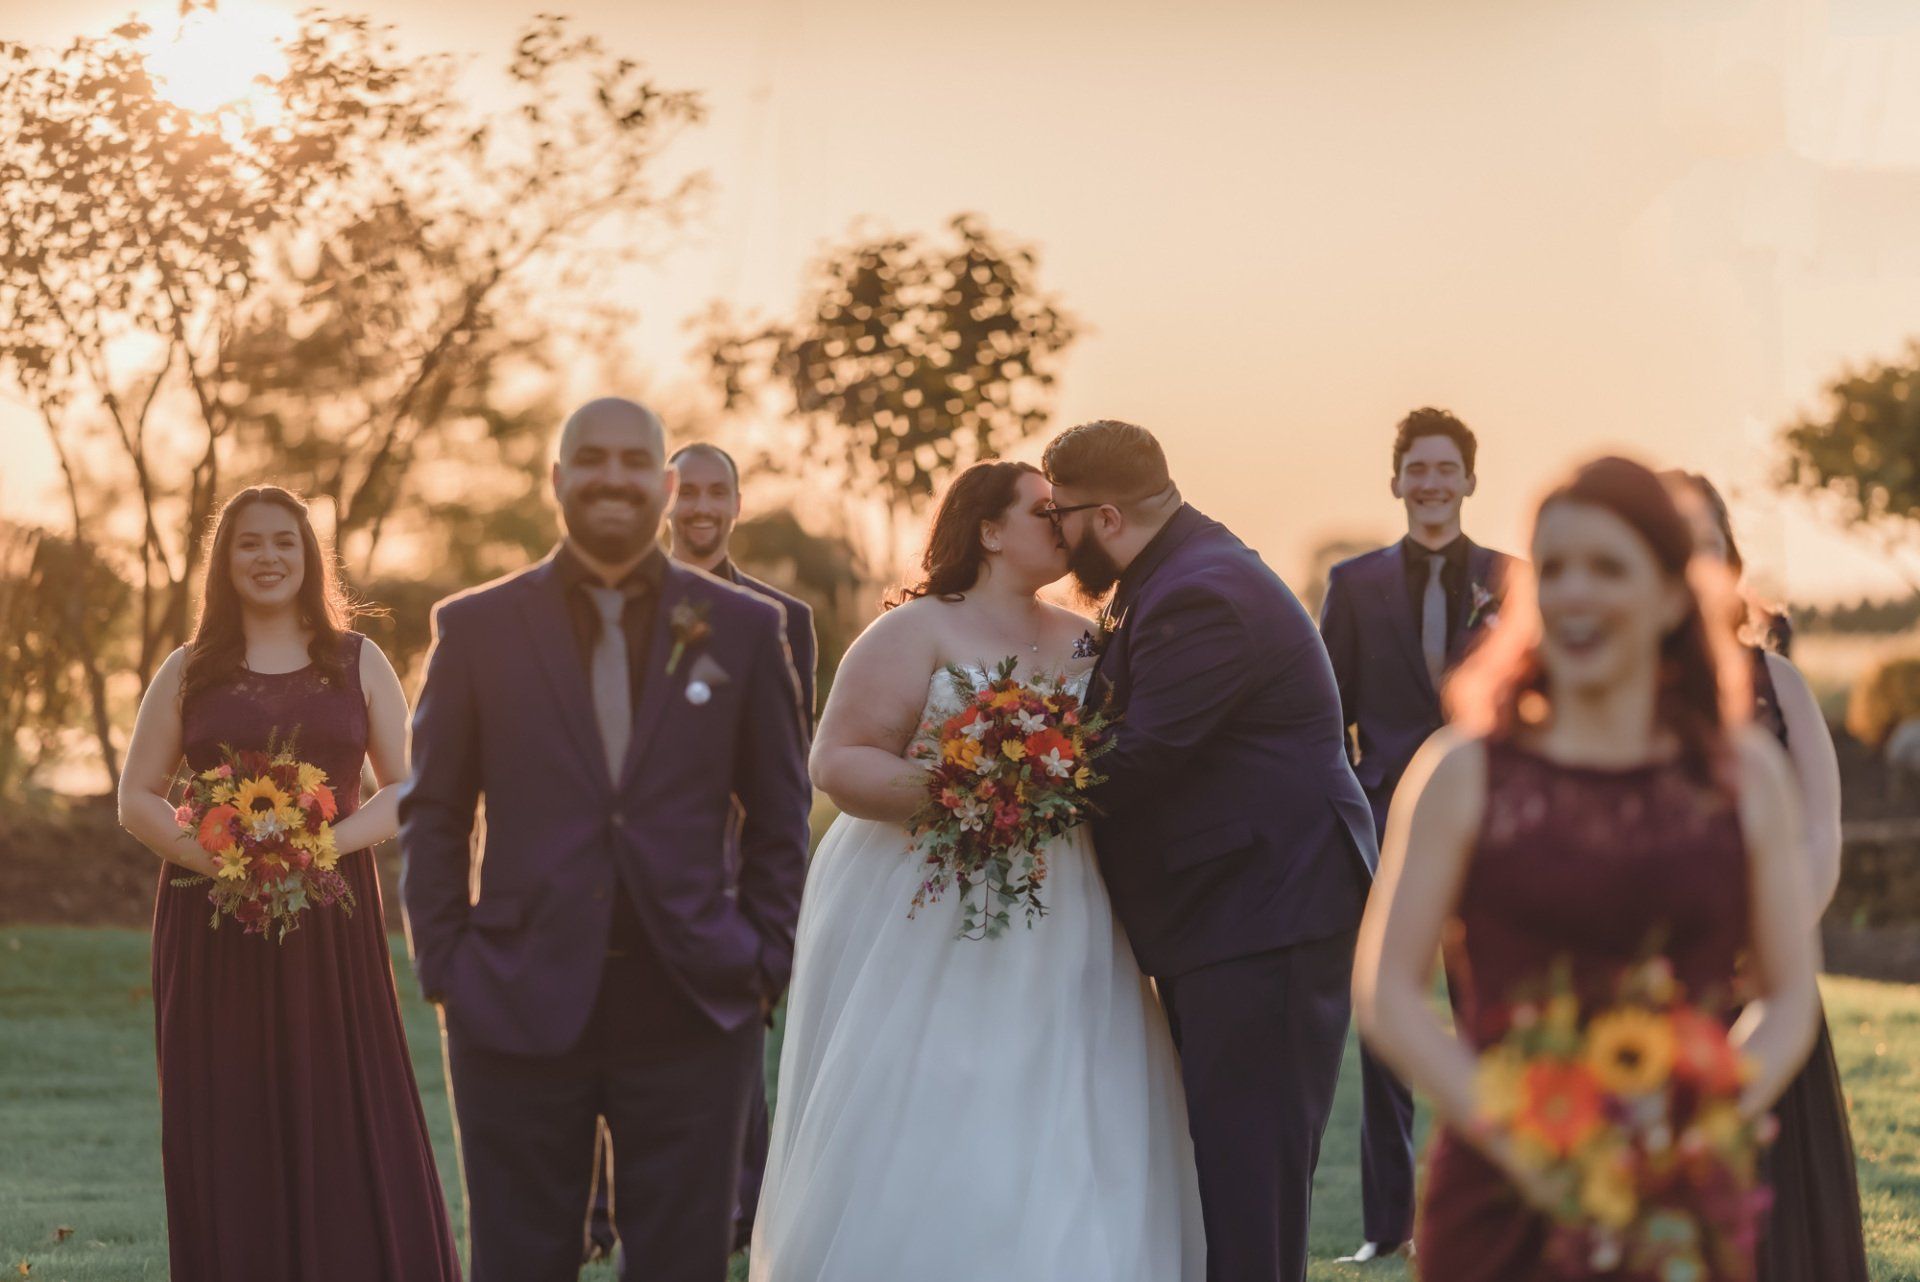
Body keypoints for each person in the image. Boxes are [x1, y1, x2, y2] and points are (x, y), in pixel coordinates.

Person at [1354, 456, 1821, 1281]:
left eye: (1608, 568)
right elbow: (1388, 992)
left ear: (1674, 596)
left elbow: (1788, 997)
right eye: (1557, 568)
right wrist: (1516, 1133)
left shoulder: (1745, 778)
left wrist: (1700, 1123)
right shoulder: (1462, 770)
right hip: (1500, 1195)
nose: (1575, 591)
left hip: (1679, 1194)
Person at [749, 460, 1204, 1282]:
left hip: (1063, 894)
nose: (1061, 524)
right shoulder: (915, 630)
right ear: (989, 531)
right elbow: (840, 762)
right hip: (927, 897)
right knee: (942, 1081)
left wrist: (1046, 789)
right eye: (1041, 512)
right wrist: (967, 789)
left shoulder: (1086, 639)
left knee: (1064, 1079)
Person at [400, 397, 812, 1282]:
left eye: (635, 463)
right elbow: (433, 812)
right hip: (512, 996)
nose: (613, 478)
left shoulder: (744, 631)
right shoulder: (475, 628)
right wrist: (448, 967)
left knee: (679, 1264)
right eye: (592, 459)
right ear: (557, 479)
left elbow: (782, 815)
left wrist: (761, 959)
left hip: (696, 997)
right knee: (519, 1260)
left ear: (664, 484)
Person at [1045, 420, 1378, 1282]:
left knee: (1250, 1188)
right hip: (1237, 912)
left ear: (1107, 515)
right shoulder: (1175, 573)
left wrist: (1004, 797)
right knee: (1232, 1180)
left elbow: (1142, 756)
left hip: (1265, 915)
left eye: (1061, 517)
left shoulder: (1200, 590)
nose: (1056, 538)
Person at [119, 486, 460, 1282]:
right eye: (248, 544)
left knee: (339, 1104)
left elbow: (410, 788)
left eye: (284, 543)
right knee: (225, 1110)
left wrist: (317, 851)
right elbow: (136, 797)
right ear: (224, 560)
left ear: (309, 558)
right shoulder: (188, 669)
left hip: (330, 923)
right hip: (207, 925)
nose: (267, 558)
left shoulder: (357, 661)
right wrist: (223, 862)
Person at [584, 441, 819, 1263]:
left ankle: (736, 1212)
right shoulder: (607, 602)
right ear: (661, 500)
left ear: (738, 503)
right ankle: (601, 1213)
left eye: (717, 493)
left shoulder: (786, 622)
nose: (701, 509)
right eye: (686, 493)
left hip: (725, 875)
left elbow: (783, 772)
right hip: (615, 873)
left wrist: (768, 923)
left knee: (728, 1049)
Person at [1318, 407, 1519, 1263]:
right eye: (1417, 468)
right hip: (1383, 828)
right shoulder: (1352, 584)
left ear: (1470, 479)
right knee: (1384, 1026)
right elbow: (1326, 716)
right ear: (1395, 480)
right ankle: (1386, 1231)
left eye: (1447, 468)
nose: (1432, 482)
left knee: (1495, 1016)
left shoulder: (1516, 578)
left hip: (1493, 823)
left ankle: (1507, 1209)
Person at [1664, 470, 1870, 1282]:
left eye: (1706, 545)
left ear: (1732, 561)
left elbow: (1822, 831)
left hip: (1770, 995)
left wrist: (1771, 943)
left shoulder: (1779, 688)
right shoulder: (1608, 697)